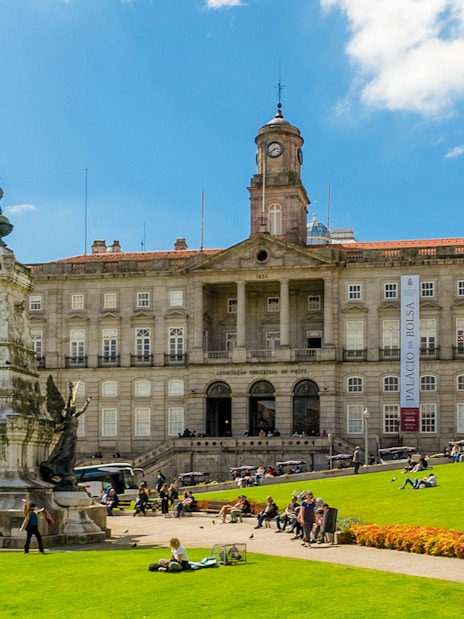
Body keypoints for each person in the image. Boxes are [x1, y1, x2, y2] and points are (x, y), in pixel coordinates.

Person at [40, 382, 92, 490]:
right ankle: (55, 469)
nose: (74, 409)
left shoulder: (74, 417)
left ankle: (67, 471)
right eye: (72, 408)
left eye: (73, 408)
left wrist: (87, 403)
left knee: (70, 457)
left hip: (73, 438)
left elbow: (82, 411)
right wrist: (70, 390)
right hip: (66, 438)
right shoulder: (68, 417)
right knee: (63, 454)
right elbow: (69, 403)